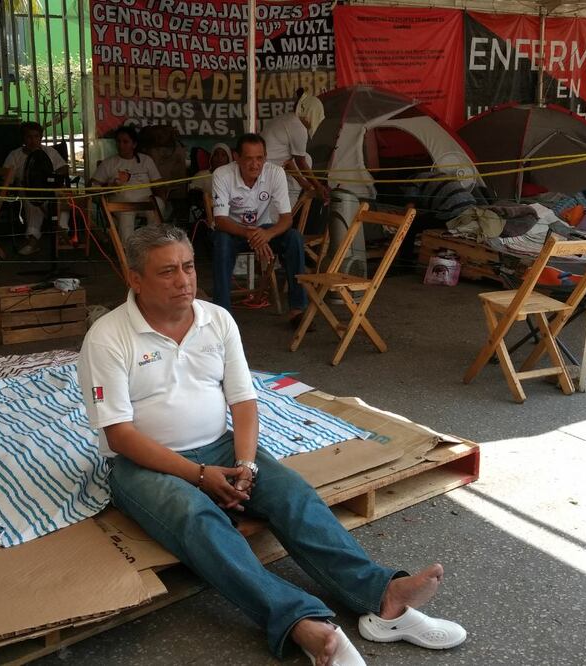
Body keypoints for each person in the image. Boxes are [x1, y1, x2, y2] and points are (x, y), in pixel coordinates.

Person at [78, 224, 466, 666]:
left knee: (292, 493)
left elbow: (243, 399)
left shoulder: (216, 319)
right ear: (135, 279)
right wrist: (199, 477)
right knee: (198, 517)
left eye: (188, 266)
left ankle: (382, 597)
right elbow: (119, 434)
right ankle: (299, 622)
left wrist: (245, 463)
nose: (184, 280)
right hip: (141, 464)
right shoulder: (108, 336)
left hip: (219, 447)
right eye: (167, 272)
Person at [211, 134, 308, 326]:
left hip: (264, 230)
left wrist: (267, 234)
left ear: (265, 157)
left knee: (294, 238)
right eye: (249, 158)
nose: (255, 164)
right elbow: (221, 220)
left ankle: (298, 309)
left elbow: (286, 218)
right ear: (236, 157)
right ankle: (223, 316)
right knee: (220, 242)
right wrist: (251, 234)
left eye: (260, 158)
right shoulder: (222, 175)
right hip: (234, 231)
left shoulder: (275, 172)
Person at [2, 121, 70, 256]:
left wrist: (55, 176)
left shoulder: (49, 152)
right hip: (26, 190)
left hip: (48, 189)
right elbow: (6, 176)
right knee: (32, 204)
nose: (33, 140)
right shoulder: (15, 155)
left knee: (63, 200)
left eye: (36, 136)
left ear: (41, 137)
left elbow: (63, 167)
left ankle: (62, 232)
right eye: (29, 137)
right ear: (23, 138)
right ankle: (32, 243)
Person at [91, 126, 165, 244]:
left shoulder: (146, 160)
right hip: (121, 203)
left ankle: (152, 244)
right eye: (118, 142)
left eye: (125, 142)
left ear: (134, 144)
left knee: (158, 204)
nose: (121, 145)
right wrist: (108, 187)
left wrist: (162, 195)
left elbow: (159, 183)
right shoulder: (109, 163)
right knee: (127, 213)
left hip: (145, 201)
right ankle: (127, 251)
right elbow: (93, 185)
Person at [262, 89, 329, 206]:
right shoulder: (298, 127)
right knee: (306, 158)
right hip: (266, 174)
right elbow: (300, 162)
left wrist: (304, 183)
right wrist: (318, 186)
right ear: (312, 114)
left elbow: (287, 161)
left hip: (264, 171)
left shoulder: (286, 119)